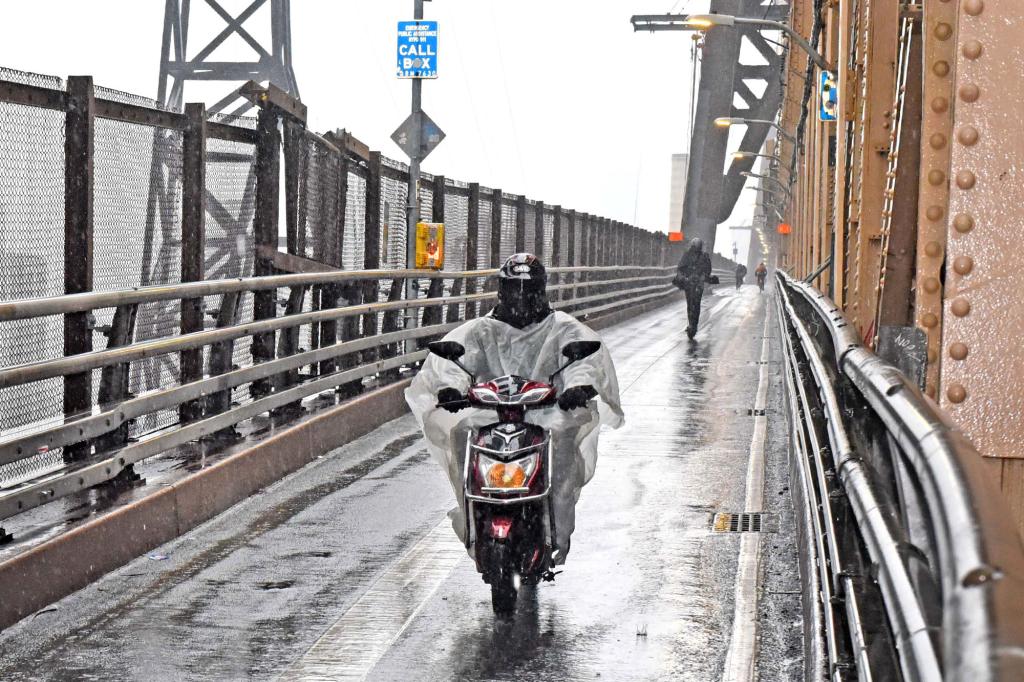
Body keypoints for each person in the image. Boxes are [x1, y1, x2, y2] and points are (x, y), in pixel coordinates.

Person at [405, 253, 623, 564]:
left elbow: (582, 362)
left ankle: (555, 529)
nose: (521, 297)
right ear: (502, 291)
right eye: (514, 289)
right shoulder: (481, 330)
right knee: (462, 431)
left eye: (528, 289)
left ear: (541, 289)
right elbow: (455, 362)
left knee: (562, 440)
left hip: (545, 412)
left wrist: (577, 388)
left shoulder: (561, 328)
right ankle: (475, 517)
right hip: (491, 412)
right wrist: (449, 388)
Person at [675, 238, 713, 339]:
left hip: (696, 284)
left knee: (694, 304)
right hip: (690, 283)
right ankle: (692, 324)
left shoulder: (701, 256)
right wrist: (683, 277)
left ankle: (693, 325)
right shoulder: (689, 255)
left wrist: (702, 276)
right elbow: (680, 268)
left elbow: (708, 270)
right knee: (692, 304)